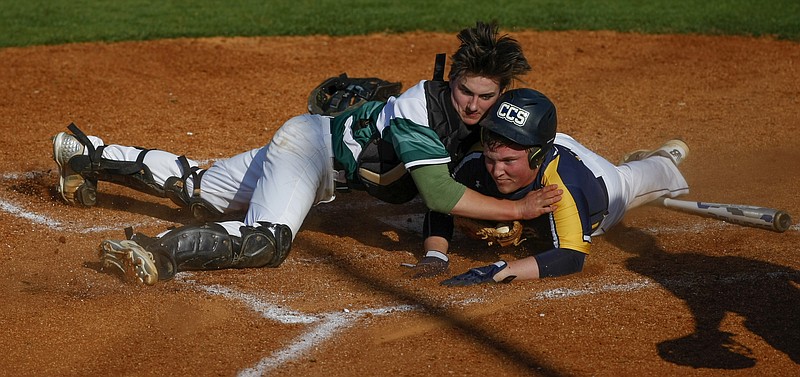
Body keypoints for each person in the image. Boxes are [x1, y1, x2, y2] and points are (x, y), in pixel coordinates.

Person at [51, 21, 563, 285]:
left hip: (310, 142)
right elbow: (436, 189)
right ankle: (157, 250)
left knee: (202, 190)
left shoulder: (484, 125)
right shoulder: (417, 110)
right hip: (311, 152)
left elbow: (472, 173)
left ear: (500, 95)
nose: (473, 105)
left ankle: (87, 154)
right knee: (267, 241)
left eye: (485, 96)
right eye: (466, 91)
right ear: (451, 80)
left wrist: (439, 249)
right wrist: (515, 210)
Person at [404, 88, 690, 285]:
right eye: (492, 159)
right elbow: (442, 203)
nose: (497, 171)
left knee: (637, 178)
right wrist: (435, 253)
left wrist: (500, 272)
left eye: (507, 161)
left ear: (537, 156)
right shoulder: (480, 163)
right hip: (542, 143)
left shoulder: (563, 186)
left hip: (606, 182)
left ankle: (665, 158)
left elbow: (571, 256)